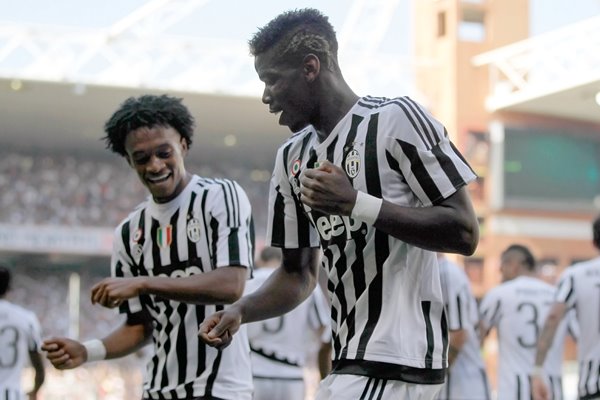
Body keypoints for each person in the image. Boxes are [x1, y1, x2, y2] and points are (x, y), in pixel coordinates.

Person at [199, 8, 479, 399]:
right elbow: (297, 274)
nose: (265, 96)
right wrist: (242, 310)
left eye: (272, 80)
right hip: (347, 360)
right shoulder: (292, 158)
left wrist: (357, 204)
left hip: (401, 361)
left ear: (310, 67)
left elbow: (464, 231)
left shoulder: (396, 119)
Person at [42, 94, 255, 400]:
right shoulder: (128, 233)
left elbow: (231, 284)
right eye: (141, 158)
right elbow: (140, 327)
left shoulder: (221, 196)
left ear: (183, 144)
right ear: (129, 160)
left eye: (163, 152)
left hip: (219, 388)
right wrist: (87, 351)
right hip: (156, 390)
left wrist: (142, 283)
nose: (155, 165)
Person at [479, 244, 577, 400]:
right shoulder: (558, 297)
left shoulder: (499, 294)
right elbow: (578, 335)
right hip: (551, 388)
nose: (500, 271)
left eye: (502, 265)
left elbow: (478, 337)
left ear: (514, 265)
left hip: (513, 390)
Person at [246, 246, 331, 400]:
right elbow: (325, 332)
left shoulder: (250, 282)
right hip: (292, 375)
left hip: (254, 373)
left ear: (260, 260)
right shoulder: (304, 284)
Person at [532, 215, 600, 400]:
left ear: (594, 241)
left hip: (593, 382)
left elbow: (553, 319)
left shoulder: (576, 275)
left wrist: (537, 369)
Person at [436, 255, 490, 400]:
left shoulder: (446, 272)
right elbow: (481, 325)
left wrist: (433, 377)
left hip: (461, 385)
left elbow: (459, 333)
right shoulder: (444, 271)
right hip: (460, 381)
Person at [0, 265, 45, 400]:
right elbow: (39, 368)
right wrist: (34, 390)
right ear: (9, 289)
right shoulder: (26, 318)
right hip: (12, 395)